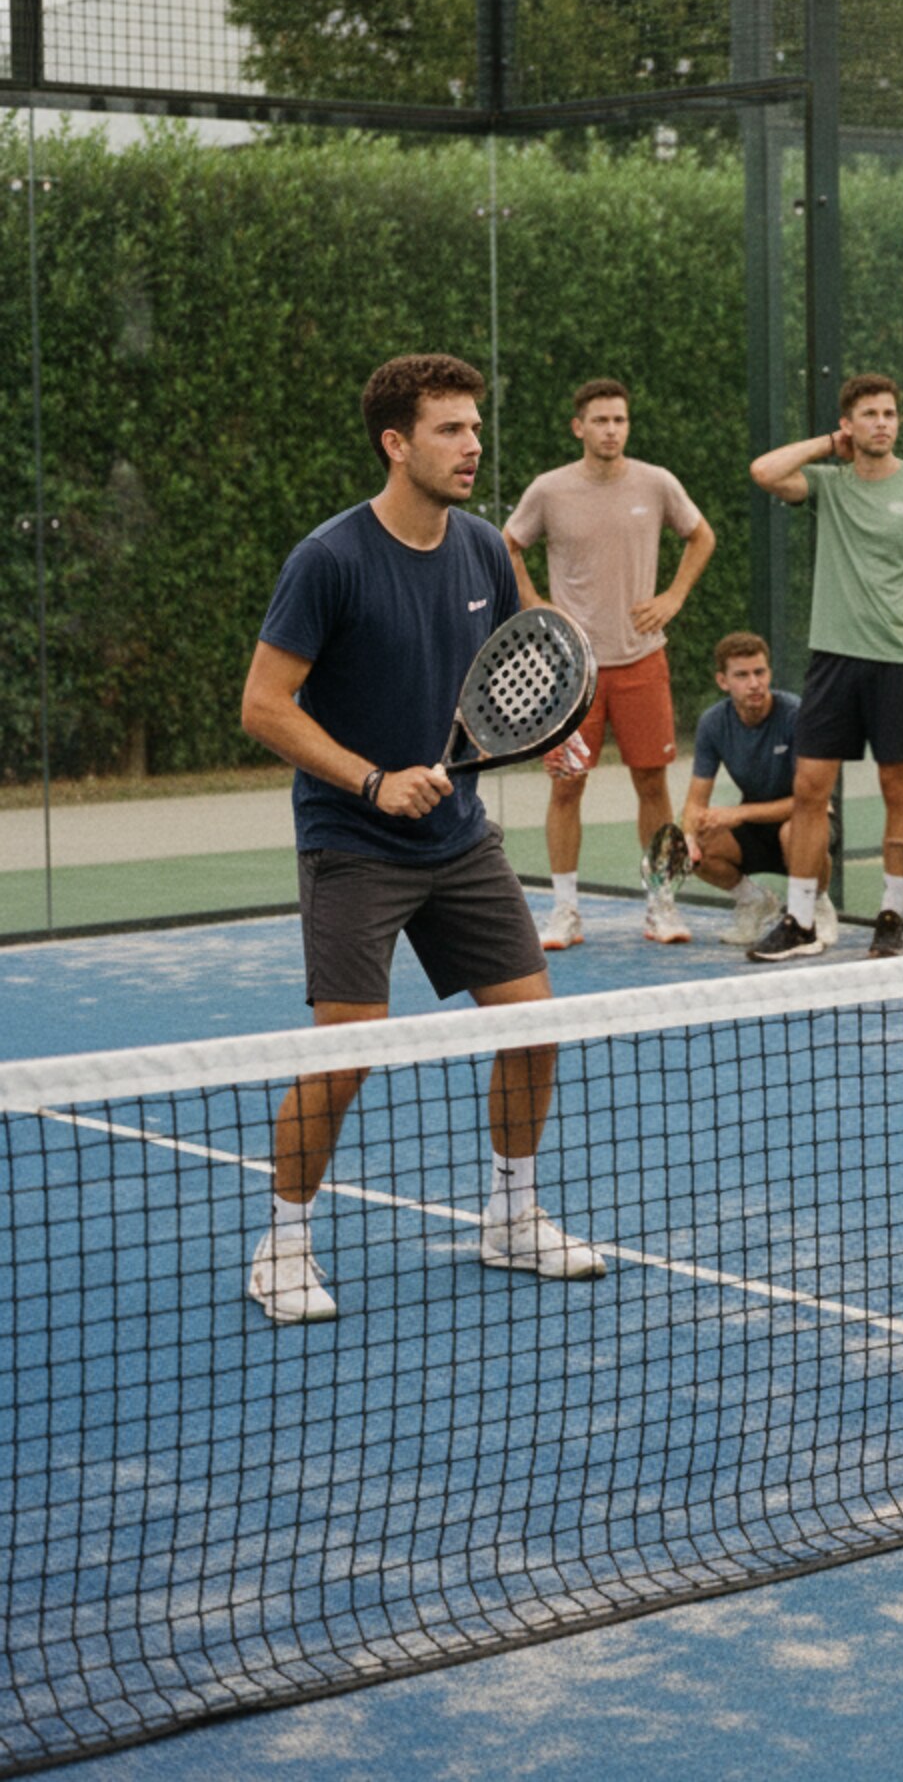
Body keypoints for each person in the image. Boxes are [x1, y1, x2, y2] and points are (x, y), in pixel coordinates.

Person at [239, 352, 605, 1325]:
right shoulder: (329, 560)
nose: (472, 444)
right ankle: (283, 1245)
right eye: (451, 429)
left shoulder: (482, 546)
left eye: (475, 427)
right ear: (396, 443)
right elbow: (264, 705)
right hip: (351, 842)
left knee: (532, 1026)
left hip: (459, 835)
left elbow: (524, 660)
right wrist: (372, 779)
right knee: (348, 1053)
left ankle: (512, 1216)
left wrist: (553, 734)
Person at [747, 373, 903, 960]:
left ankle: (893, 918)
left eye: (890, 413)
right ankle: (800, 921)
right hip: (834, 662)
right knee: (808, 787)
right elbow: (764, 471)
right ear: (849, 424)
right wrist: (830, 444)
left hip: (900, 662)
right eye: (870, 414)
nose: (882, 423)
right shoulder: (828, 484)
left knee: (897, 789)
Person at [504, 378, 715, 951]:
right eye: (600, 421)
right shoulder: (549, 490)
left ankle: (661, 905)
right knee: (566, 785)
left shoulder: (657, 482)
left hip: (643, 661)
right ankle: (565, 911)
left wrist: (673, 597)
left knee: (652, 783)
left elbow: (701, 536)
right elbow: (507, 544)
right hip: (572, 671)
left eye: (619, 420)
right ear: (579, 427)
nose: (611, 430)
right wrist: (534, 603)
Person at [681, 631, 841, 949]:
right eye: (742, 675)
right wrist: (687, 836)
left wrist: (739, 813)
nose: (754, 683)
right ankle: (754, 902)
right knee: (700, 843)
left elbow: (810, 802)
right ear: (723, 681)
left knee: (794, 831)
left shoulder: (796, 714)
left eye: (760, 672)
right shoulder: (713, 723)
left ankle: (816, 905)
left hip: (809, 821)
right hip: (756, 827)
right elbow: (695, 802)